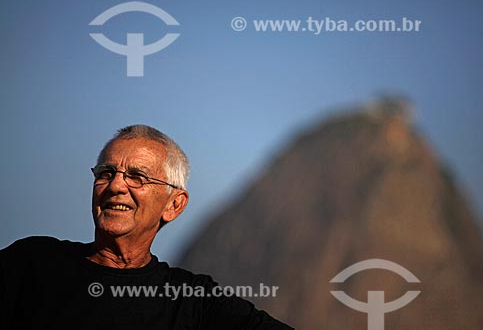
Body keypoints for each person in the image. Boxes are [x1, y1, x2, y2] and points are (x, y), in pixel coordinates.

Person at [0, 125, 292, 329]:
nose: (115, 185)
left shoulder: (192, 300)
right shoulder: (34, 263)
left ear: (173, 205)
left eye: (137, 176)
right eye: (106, 172)